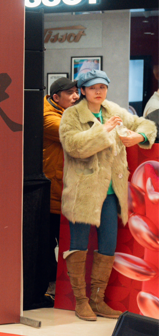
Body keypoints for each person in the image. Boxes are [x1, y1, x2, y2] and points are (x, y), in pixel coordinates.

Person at [59, 69, 156, 321]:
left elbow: (146, 123)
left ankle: (97, 300)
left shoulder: (113, 110)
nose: (98, 92)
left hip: (112, 191)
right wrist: (103, 130)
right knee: (78, 245)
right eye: (92, 87)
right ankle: (81, 302)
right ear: (82, 90)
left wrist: (139, 135)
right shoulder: (72, 115)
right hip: (83, 191)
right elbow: (74, 146)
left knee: (108, 246)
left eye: (102, 87)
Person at [42, 77, 80, 300]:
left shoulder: (66, 112)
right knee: (50, 244)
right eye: (70, 93)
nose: (76, 96)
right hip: (53, 192)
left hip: (65, 190)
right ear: (56, 97)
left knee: (66, 242)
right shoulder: (48, 118)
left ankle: (62, 288)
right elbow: (73, 137)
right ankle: (51, 287)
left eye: (76, 92)